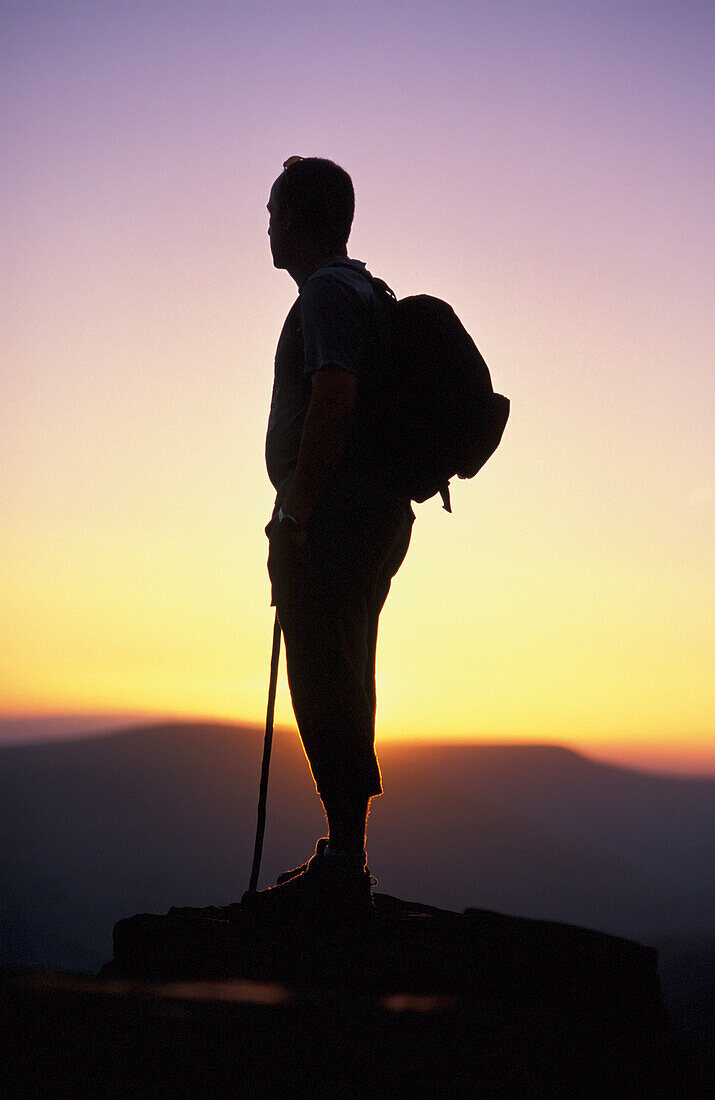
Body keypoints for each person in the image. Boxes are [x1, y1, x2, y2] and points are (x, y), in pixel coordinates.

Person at [241, 157, 414, 920]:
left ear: (301, 217)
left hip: (335, 522)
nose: (267, 222)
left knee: (323, 673)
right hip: (370, 516)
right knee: (344, 669)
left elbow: (334, 401)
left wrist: (296, 515)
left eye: (274, 208)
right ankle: (345, 851)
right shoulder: (364, 292)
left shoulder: (324, 295)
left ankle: (344, 862)